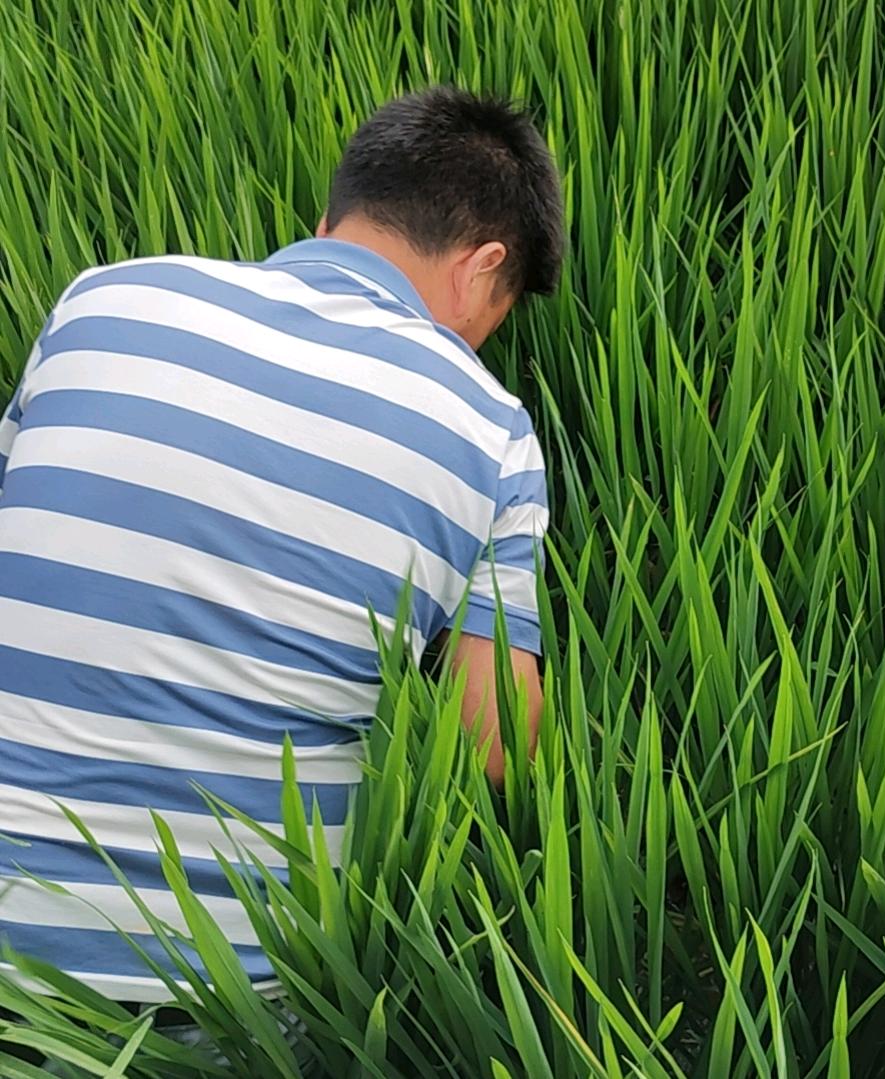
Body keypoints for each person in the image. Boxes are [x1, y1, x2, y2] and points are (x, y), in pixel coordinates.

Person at [0, 86, 562, 1007]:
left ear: (332, 220)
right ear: (482, 265)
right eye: (495, 312)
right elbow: (496, 747)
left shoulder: (104, 299)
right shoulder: (489, 427)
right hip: (230, 1005)